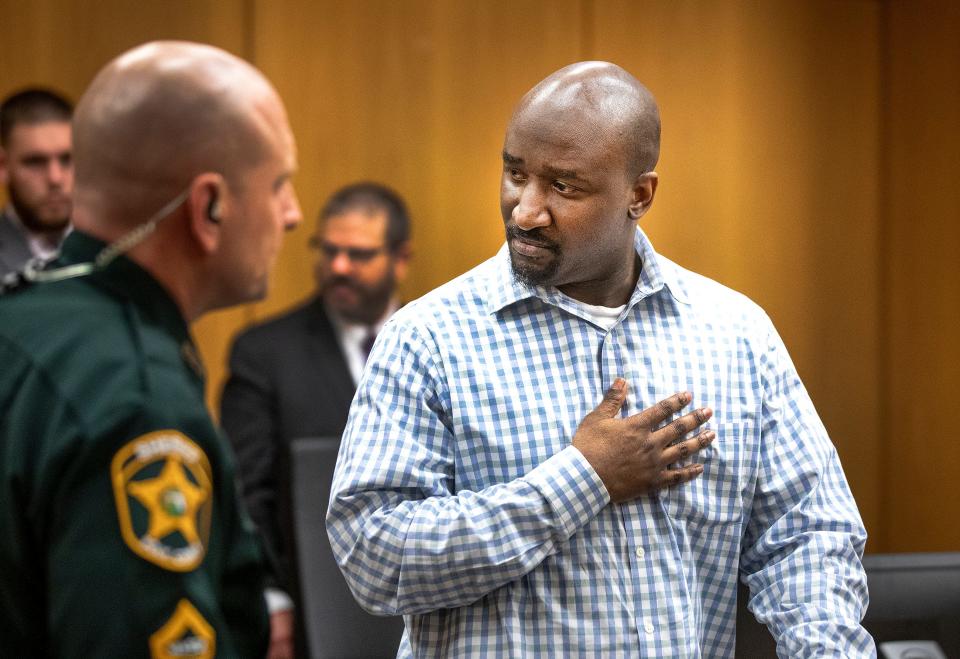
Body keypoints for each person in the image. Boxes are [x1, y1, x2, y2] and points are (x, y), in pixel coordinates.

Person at [327, 61, 873, 657]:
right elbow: (372, 555)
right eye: (514, 174)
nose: (525, 211)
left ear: (639, 195)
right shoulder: (428, 339)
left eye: (563, 186)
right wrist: (581, 480)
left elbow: (807, 534)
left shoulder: (737, 334)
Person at [0, 41, 302, 658]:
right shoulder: (136, 398)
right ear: (208, 206)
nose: (292, 215)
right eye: (278, 186)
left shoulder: (24, 319)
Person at [221, 181, 411, 657]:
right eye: (329, 251)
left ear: (400, 259)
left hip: (418, 604)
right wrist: (269, 596)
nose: (339, 267)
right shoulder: (264, 353)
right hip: (308, 610)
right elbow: (246, 491)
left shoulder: (437, 341)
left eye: (358, 254)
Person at [0, 87, 73, 276]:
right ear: (2, 166)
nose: (55, 178)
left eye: (67, 159)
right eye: (35, 162)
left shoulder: (116, 250)